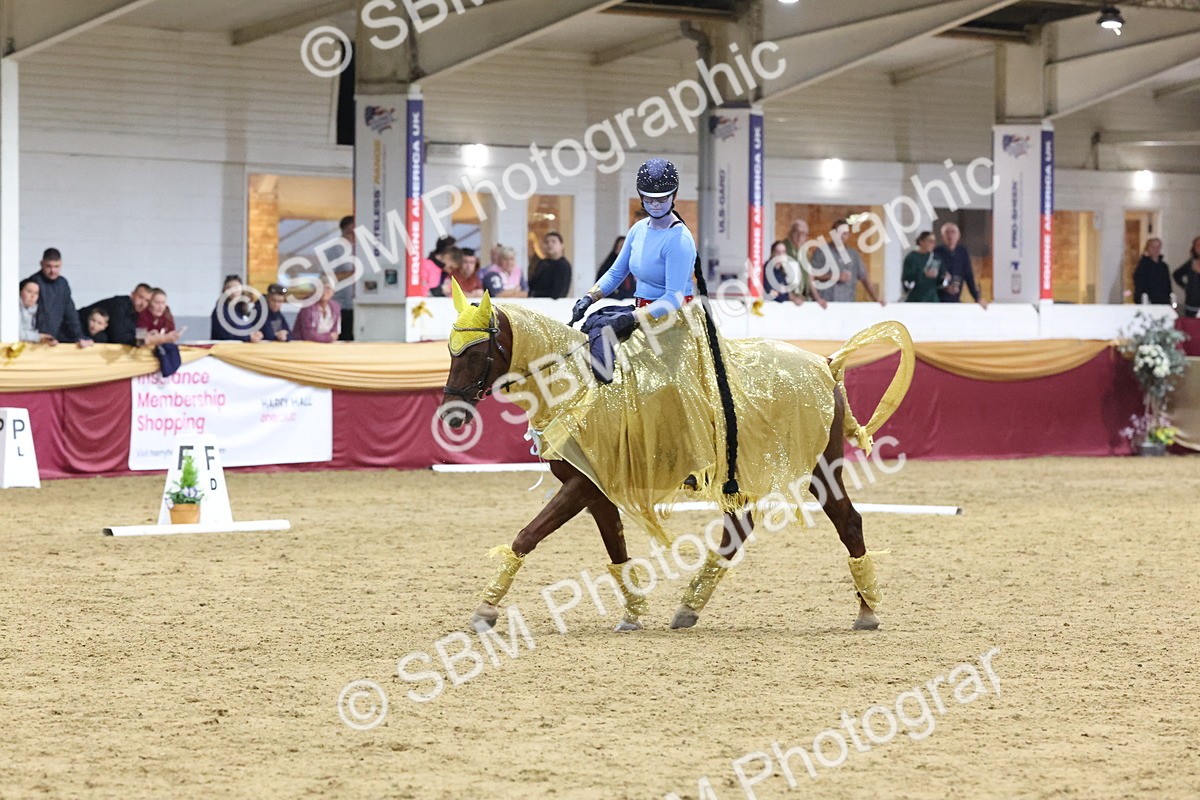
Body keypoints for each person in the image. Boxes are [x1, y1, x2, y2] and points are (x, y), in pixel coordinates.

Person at [571, 158, 696, 328]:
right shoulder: (638, 229)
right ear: (640, 196)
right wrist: (589, 298)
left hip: (673, 322)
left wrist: (632, 317)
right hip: (641, 313)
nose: (655, 205)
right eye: (648, 199)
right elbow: (616, 273)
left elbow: (674, 298)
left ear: (674, 196)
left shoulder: (679, 240)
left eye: (662, 199)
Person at [24, 248, 90, 347]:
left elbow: (70, 314)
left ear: (61, 264)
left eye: (56, 266)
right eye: (48, 266)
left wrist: (79, 336)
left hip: (55, 340)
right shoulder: (32, 283)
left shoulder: (63, 284)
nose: (52, 271)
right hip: (33, 340)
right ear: (41, 264)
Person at [810, 219, 885, 305]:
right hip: (825, 304)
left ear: (848, 235)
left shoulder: (853, 255)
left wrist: (876, 299)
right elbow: (812, 275)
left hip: (848, 305)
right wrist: (835, 277)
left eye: (845, 233)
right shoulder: (822, 252)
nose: (842, 236)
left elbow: (864, 278)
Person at [81, 283, 178, 347]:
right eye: (140, 297)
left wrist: (146, 337)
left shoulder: (136, 312)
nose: (143, 303)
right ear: (132, 295)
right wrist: (147, 339)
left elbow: (130, 335)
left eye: (147, 301)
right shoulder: (119, 304)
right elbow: (118, 336)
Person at [934, 223, 987, 308]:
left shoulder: (962, 252)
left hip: (955, 297)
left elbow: (969, 276)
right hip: (937, 299)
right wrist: (943, 287)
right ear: (942, 236)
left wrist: (977, 297)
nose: (950, 235)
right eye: (947, 232)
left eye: (953, 232)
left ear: (958, 235)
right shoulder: (936, 253)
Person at [783, 220, 825, 306]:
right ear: (790, 233)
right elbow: (777, 277)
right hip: (786, 300)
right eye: (796, 232)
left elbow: (810, 276)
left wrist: (817, 298)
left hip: (802, 299)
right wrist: (792, 297)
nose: (799, 236)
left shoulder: (803, 253)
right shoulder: (782, 249)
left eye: (803, 234)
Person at [210, 275, 264, 342]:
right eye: (229, 288)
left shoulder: (242, 309)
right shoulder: (220, 310)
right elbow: (226, 335)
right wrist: (247, 337)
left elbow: (248, 328)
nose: (233, 291)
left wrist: (255, 334)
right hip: (224, 348)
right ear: (224, 291)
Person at [902, 231, 946, 303]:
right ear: (921, 242)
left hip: (932, 298)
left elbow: (941, 277)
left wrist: (944, 278)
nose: (933, 244)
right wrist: (923, 274)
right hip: (916, 297)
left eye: (934, 242)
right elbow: (907, 278)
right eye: (930, 241)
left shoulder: (936, 258)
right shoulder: (912, 257)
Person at [293, 277, 341, 342]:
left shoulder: (335, 307)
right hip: (304, 345)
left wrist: (329, 337)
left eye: (328, 288)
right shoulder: (308, 307)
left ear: (333, 292)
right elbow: (309, 335)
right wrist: (328, 338)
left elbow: (335, 333)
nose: (324, 291)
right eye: (321, 288)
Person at [331, 215, 356, 341]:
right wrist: (351, 273)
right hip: (340, 305)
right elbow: (326, 276)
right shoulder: (335, 249)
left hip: (355, 304)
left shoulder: (357, 248)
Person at [528, 231, 573, 299]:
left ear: (561, 245)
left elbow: (560, 292)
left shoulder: (564, 266)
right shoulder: (542, 263)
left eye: (553, 241)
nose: (550, 244)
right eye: (547, 242)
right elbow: (533, 284)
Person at [1132, 238, 1172, 305]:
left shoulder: (1164, 266)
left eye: (1158, 247)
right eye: (1153, 247)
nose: (1156, 250)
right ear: (1148, 248)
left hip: (1162, 301)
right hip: (1147, 301)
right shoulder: (1143, 265)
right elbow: (1138, 281)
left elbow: (1168, 285)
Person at [18, 278, 54, 344]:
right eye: (29, 292)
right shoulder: (11, 309)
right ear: (20, 292)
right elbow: (16, 334)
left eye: (36, 293)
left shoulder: (37, 311)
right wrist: (38, 337)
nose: (33, 296)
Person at [1172, 236, 1200, 317]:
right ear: (1194, 248)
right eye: (1197, 245)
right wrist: (1186, 287)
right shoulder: (1190, 263)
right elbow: (1176, 274)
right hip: (1191, 306)